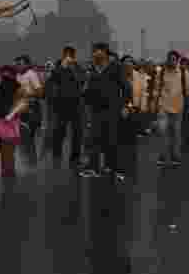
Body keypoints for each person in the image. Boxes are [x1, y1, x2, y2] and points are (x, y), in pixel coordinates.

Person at [80, 43, 131, 182]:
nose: (95, 54)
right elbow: (87, 90)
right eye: (94, 51)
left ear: (105, 53)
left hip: (112, 110)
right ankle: (94, 168)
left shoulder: (115, 67)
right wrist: (85, 91)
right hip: (96, 110)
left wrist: (126, 106)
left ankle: (117, 169)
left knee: (112, 140)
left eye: (98, 51)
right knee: (94, 139)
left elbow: (126, 87)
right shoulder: (92, 69)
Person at [46, 46, 85, 167]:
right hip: (61, 104)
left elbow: (81, 79)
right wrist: (62, 66)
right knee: (59, 131)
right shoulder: (57, 66)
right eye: (66, 54)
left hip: (76, 104)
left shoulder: (77, 66)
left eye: (70, 55)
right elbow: (53, 79)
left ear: (74, 56)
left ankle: (75, 157)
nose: (68, 57)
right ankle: (57, 154)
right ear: (63, 55)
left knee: (77, 132)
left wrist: (72, 68)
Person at [155, 50, 189, 168]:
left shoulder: (183, 72)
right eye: (169, 59)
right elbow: (156, 88)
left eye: (174, 59)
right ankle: (162, 155)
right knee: (162, 131)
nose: (171, 61)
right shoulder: (161, 72)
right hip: (163, 105)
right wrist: (154, 103)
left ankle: (174, 155)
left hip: (178, 106)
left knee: (176, 133)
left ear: (177, 60)